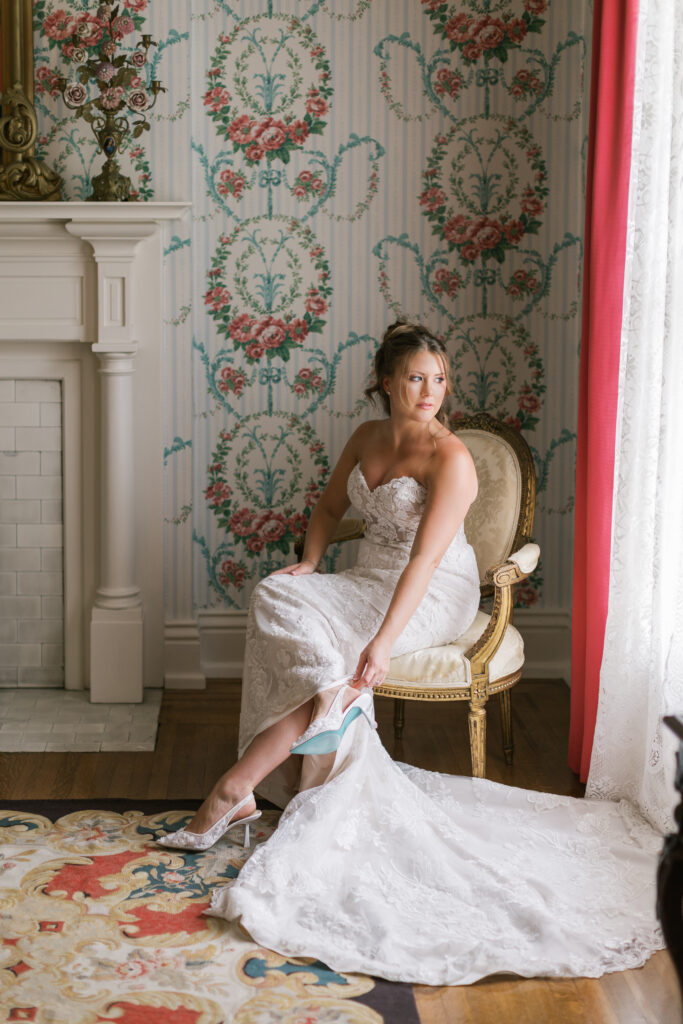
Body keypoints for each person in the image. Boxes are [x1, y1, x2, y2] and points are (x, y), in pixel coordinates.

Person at [158, 321, 663, 986]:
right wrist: (309, 563)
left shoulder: (450, 457)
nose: (431, 390)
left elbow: (426, 559)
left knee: (337, 652)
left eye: (440, 379)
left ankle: (235, 786)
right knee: (273, 597)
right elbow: (329, 505)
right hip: (368, 578)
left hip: (431, 593)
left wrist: (384, 644)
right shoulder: (365, 438)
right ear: (388, 383)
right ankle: (285, 763)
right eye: (417, 378)